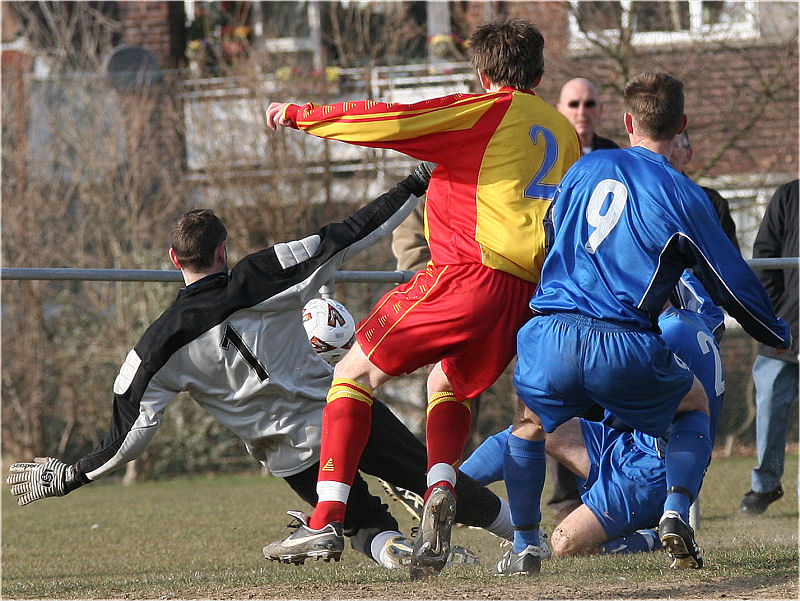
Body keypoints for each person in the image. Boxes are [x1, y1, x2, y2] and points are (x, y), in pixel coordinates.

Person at [5, 168, 514, 570]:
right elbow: (349, 233)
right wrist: (414, 183)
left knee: (361, 525)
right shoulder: (263, 272)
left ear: (172, 259)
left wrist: (74, 474)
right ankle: (527, 535)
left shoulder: (159, 343)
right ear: (223, 250)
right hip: (342, 413)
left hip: (288, 452)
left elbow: (130, 434)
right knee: (433, 479)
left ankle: (393, 550)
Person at [264, 17, 581, 579]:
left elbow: (393, 119)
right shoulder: (562, 130)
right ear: (538, 71)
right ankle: (440, 488)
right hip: (525, 295)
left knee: (353, 375)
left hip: (469, 275)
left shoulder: (486, 110)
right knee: (446, 384)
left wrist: (301, 115)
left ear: (482, 72)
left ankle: (327, 518)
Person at [500, 70, 791, 576]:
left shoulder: (584, 169)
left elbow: (548, 234)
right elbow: (734, 282)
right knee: (692, 403)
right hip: (620, 341)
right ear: (681, 125)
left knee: (528, 425)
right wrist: (777, 332)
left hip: (549, 332)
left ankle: (524, 544)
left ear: (627, 121)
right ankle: (676, 511)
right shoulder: (683, 193)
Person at [462, 275, 726, 557]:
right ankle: (447, 489)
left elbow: (618, 400)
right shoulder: (694, 320)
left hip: (655, 471)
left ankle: (655, 537)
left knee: (564, 544)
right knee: (531, 424)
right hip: (633, 444)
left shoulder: (662, 336)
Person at [741, 179, 799, 515]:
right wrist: (776, 319)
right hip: (785, 328)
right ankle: (764, 485)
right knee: (770, 406)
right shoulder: (788, 196)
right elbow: (764, 258)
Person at [669, 130, 740, 251]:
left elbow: (728, 258)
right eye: (661, 147)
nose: (668, 153)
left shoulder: (711, 203)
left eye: (675, 146)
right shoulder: (636, 200)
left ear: (688, 154)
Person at [557, 77, 620, 154]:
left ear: (600, 109)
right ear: (559, 110)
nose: (582, 112)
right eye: (574, 105)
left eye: (589, 104)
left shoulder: (612, 152)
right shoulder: (550, 152)